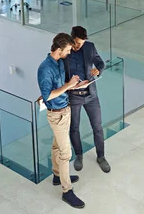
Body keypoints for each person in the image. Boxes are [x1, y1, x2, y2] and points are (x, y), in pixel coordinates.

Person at [37, 33, 87, 209]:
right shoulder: (45, 69)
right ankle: (67, 191)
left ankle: (57, 176)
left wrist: (73, 84)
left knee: (57, 146)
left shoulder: (57, 63)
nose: (69, 52)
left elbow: (58, 86)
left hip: (64, 110)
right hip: (56, 114)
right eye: (67, 50)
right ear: (59, 49)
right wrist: (67, 86)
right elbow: (47, 94)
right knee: (66, 153)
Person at [62, 26, 110, 173]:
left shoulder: (90, 47)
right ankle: (79, 155)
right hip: (73, 96)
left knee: (97, 126)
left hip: (91, 95)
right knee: (74, 128)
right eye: (76, 42)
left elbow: (100, 63)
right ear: (71, 39)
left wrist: (98, 70)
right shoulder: (66, 51)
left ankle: (101, 157)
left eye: (81, 43)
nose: (78, 45)